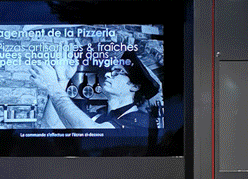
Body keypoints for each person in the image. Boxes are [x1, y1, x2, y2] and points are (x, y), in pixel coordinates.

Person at [30, 56, 160, 132]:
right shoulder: (97, 118)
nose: (108, 74)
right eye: (111, 71)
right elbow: (50, 126)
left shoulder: (142, 121)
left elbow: (91, 130)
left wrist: (52, 86)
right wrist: (62, 81)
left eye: (118, 72)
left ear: (134, 86)